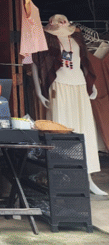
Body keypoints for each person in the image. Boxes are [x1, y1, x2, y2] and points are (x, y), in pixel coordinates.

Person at [31, 14, 107, 196]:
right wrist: (38, 91)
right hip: (59, 87)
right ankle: (62, 177)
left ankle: (88, 179)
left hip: (80, 87)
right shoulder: (48, 41)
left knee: (85, 131)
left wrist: (92, 86)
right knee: (61, 130)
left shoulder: (77, 40)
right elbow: (35, 64)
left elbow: (84, 65)